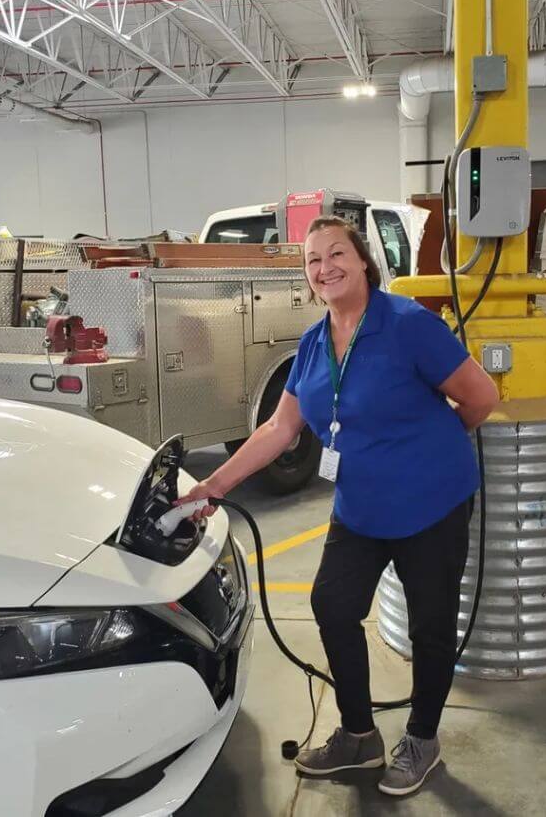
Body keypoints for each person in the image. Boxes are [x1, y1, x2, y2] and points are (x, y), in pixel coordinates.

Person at [180, 216, 499, 796]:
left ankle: (422, 741)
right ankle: (359, 736)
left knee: (430, 627)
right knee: (332, 604)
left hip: (432, 501)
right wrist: (216, 484)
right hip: (360, 504)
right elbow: (280, 426)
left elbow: (481, 396)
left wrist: (429, 446)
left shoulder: (408, 326)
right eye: (312, 260)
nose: (324, 267)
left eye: (336, 254)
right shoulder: (313, 342)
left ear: (363, 260)